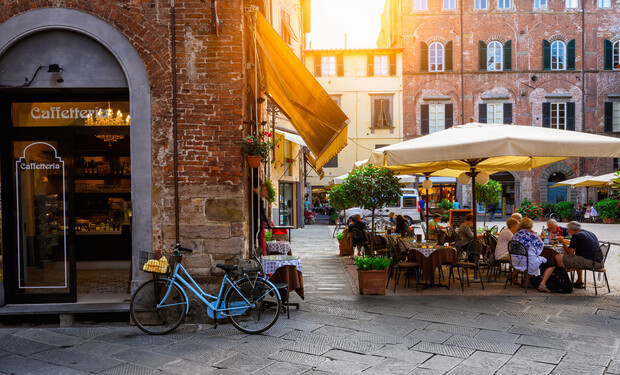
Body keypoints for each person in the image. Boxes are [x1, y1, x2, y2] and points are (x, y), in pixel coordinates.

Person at [543, 221, 603, 289]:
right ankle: (579, 281)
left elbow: (570, 253)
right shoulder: (590, 233)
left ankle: (565, 282)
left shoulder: (576, 236)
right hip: (598, 261)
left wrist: (563, 242)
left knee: (558, 257)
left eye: (568, 229)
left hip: (591, 262)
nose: (568, 231)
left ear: (573, 229)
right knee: (576, 257)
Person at [512, 218, 554, 291]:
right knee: (551, 265)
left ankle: (527, 282)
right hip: (528, 260)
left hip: (516, 260)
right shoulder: (531, 235)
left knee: (528, 258)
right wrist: (535, 234)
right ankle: (542, 284)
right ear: (531, 226)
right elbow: (540, 246)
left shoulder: (516, 234)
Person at [253, 183, 272, 255]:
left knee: (262, 240)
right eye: (265, 190)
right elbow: (261, 213)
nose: (266, 192)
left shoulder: (260, 200)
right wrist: (267, 223)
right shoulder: (257, 199)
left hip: (260, 223)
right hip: (258, 223)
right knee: (260, 240)